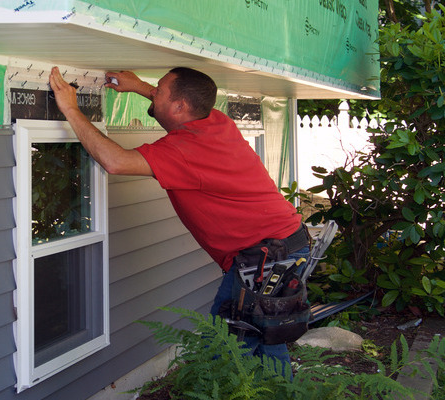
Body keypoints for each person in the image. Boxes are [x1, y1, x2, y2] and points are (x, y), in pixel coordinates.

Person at [49, 66, 310, 376]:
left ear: (179, 106)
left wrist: (71, 109)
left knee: (222, 354)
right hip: (287, 245)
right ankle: (285, 391)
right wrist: (141, 87)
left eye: (159, 90)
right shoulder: (216, 122)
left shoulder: (185, 150)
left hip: (264, 260)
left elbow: (115, 161)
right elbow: (178, 105)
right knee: (266, 338)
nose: (154, 92)